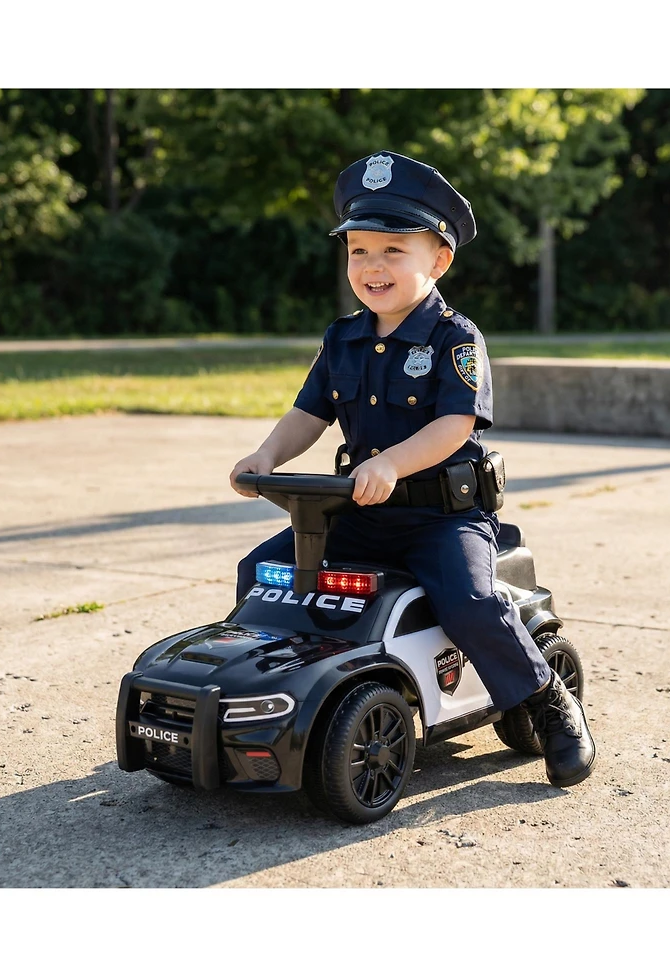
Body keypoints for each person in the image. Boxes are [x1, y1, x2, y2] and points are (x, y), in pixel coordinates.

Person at [229, 150, 596, 788]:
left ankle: (546, 703)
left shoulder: (455, 339)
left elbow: (455, 425)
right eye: (359, 251)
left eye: (393, 250)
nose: (372, 266)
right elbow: (307, 415)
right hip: (360, 513)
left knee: (471, 598)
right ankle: (282, 691)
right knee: (261, 571)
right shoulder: (341, 338)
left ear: (439, 260)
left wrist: (393, 463)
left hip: (439, 517)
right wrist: (266, 456)